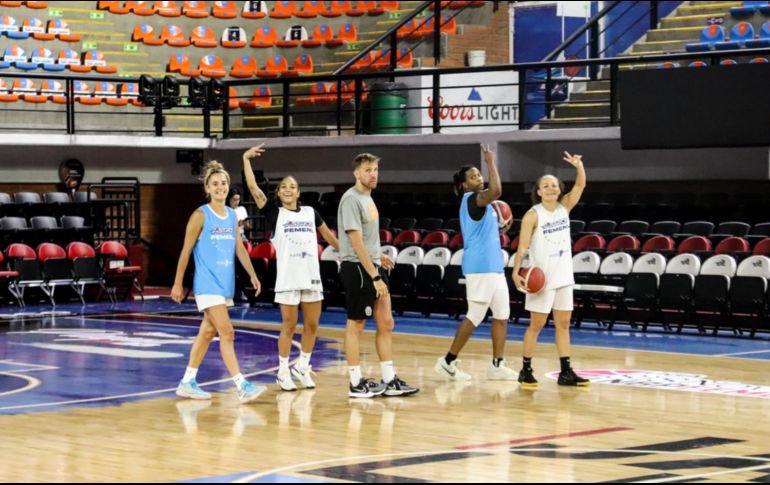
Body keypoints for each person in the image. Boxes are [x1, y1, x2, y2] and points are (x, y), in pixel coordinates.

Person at [242, 143, 340, 392]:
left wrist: (361, 256)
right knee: (288, 326)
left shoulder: (310, 212)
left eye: (292, 187)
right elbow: (253, 189)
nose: (288, 189)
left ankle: (303, 366)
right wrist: (246, 159)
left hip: (311, 277)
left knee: (312, 325)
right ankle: (283, 370)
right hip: (287, 278)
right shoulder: (275, 214)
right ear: (278, 193)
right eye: (284, 186)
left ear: (298, 193)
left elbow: (332, 240)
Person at [171, 160, 265, 404]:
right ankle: (241, 384)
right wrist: (177, 283)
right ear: (207, 188)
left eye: (223, 183)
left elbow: (239, 249)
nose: (220, 187)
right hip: (206, 283)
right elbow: (185, 251)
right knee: (227, 332)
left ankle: (187, 382)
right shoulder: (200, 215)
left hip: (224, 284)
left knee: (207, 332)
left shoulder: (232, 215)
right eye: (215, 184)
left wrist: (253, 274)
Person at [337, 153, 419, 399]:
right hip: (359, 270)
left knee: (386, 323)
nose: (373, 174)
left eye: (375, 169)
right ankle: (355, 383)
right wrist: (374, 275)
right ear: (357, 173)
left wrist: (378, 255)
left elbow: (367, 241)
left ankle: (389, 379)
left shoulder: (367, 198)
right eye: (368, 170)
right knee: (356, 324)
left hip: (371, 265)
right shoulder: (351, 199)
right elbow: (355, 242)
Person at [434, 145, 517, 382]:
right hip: (480, 266)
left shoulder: (483, 205)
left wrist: (501, 226)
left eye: (479, 175)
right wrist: (491, 162)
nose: (479, 178)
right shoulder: (472, 199)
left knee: (502, 314)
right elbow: (497, 190)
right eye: (473, 177)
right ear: (463, 185)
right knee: (476, 315)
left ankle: (497, 365)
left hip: (493, 266)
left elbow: (488, 223)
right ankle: (447, 361)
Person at [511, 151, 589, 389]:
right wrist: (516, 272)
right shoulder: (533, 215)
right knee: (537, 325)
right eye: (546, 186)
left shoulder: (564, 207)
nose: (551, 189)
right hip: (541, 278)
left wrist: (579, 166)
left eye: (554, 185)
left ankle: (566, 371)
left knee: (564, 324)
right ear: (538, 191)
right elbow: (522, 246)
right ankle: (525, 369)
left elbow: (580, 185)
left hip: (564, 276)